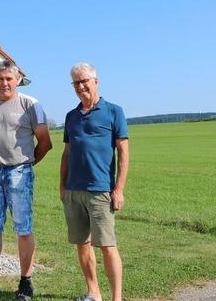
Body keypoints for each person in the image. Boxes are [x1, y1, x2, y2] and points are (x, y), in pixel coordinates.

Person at [0, 60, 53, 300]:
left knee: (23, 229)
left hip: (20, 173)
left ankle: (25, 283)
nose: (4, 83)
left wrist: (25, 164)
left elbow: (45, 142)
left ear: (17, 80)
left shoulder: (30, 105)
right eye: (0, 78)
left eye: (9, 79)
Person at [60, 63, 129, 301]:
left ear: (95, 81)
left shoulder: (114, 111)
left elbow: (123, 152)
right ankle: (93, 293)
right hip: (74, 190)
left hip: (101, 190)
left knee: (107, 246)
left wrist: (118, 189)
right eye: (76, 83)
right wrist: (63, 186)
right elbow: (67, 154)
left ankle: (116, 298)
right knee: (81, 244)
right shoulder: (71, 117)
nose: (81, 87)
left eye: (84, 81)